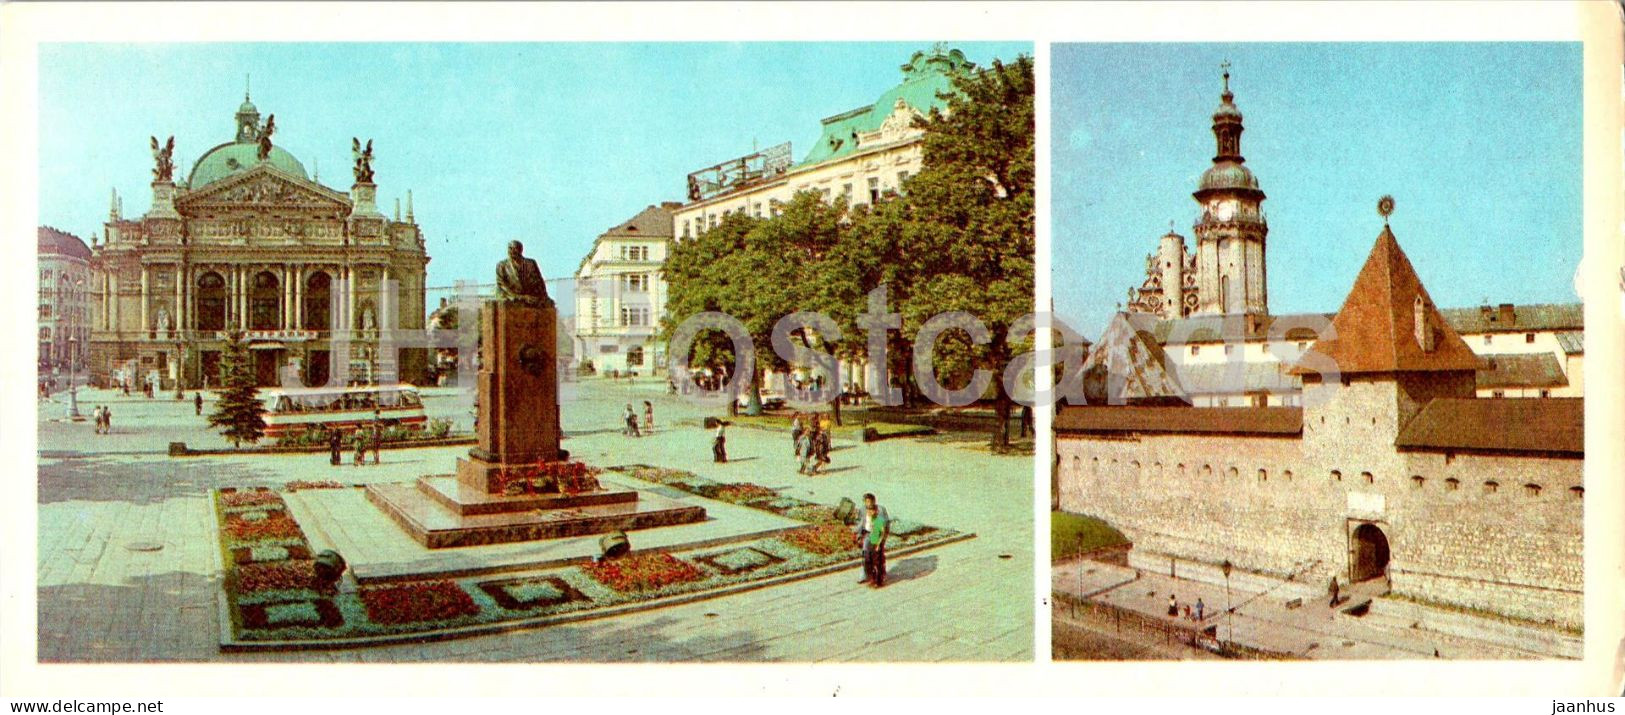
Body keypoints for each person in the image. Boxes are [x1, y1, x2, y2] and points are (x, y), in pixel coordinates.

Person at [856, 493, 890, 587]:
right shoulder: (862, 510)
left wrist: (883, 538)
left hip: (877, 535)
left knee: (878, 556)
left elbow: (886, 524)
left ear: (874, 501)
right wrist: (859, 535)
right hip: (867, 534)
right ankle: (866, 573)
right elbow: (860, 523)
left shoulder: (881, 510)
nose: (868, 503)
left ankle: (880, 575)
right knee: (866, 554)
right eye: (866, 501)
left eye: (870, 501)